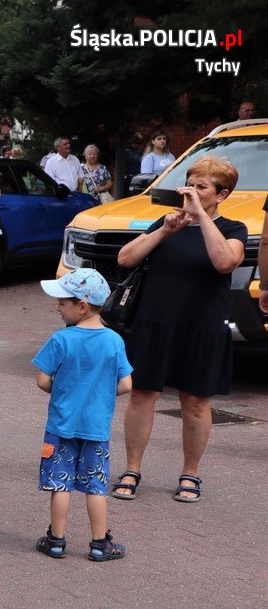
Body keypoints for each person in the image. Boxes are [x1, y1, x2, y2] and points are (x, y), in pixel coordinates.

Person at [111, 157, 247, 503]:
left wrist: (200, 216)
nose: (191, 191)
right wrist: (165, 230)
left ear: (223, 194)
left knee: (197, 403)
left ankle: (190, 473)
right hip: (153, 322)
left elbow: (224, 262)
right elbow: (125, 259)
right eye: (190, 183)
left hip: (201, 327)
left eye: (202, 187)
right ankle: (132, 468)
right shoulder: (166, 221)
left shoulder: (232, 229)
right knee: (142, 395)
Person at [32, 268, 132, 561]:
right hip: (96, 429)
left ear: (82, 306)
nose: (58, 307)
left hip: (61, 426)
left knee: (60, 484)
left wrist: (64, 390)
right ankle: (100, 544)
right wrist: (98, 394)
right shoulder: (114, 341)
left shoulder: (62, 340)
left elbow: (42, 380)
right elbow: (126, 384)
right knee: (96, 487)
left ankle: (56, 541)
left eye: (62, 302)